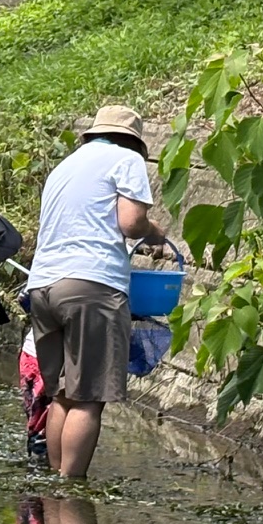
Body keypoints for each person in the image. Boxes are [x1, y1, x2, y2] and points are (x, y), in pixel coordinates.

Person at [27, 105, 167, 480]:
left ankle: (56, 487)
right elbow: (131, 223)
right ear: (133, 142)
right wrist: (155, 232)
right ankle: (72, 490)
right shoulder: (125, 160)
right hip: (92, 286)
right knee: (89, 397)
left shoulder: (65, 166)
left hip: (42, 287)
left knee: (62, 394)